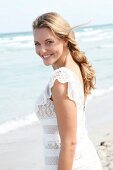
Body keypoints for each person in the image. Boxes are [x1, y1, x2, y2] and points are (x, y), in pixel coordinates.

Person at [33, 12, 103, 170]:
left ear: (64, 39)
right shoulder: (74, 69)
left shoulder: (62, 79)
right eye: (37, 43)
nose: (42, 50)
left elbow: (69, 143)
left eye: (49, 42)